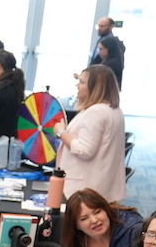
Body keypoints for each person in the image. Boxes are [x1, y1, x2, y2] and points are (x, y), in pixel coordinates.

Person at [53, 64, 126, 203]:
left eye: (82, 82)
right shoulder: (114, 110)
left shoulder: (96, 112)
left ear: (95, 87)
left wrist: (61, 132)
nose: (77, 85)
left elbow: (85, 150)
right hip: (102, 185)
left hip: (85, 188)